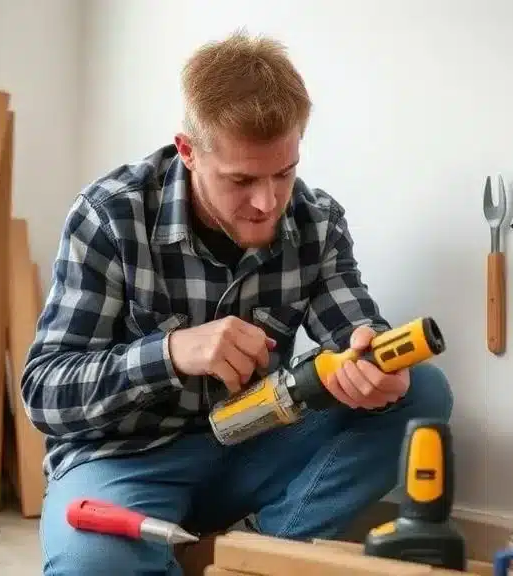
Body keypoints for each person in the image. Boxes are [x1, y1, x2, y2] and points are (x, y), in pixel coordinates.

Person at [22, 30, 453, 575]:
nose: (267, 202)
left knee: (421, 391)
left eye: (284, 172)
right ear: (188, 151)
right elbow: (45, 392)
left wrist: (372, 364)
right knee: (92, 566)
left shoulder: (317, 220)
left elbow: (354, 327)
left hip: (253, 444)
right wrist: (171, 353)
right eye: (241, 179)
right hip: (124, 461)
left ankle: (254, 553)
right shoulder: (110, 214)